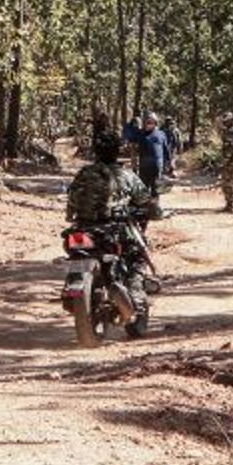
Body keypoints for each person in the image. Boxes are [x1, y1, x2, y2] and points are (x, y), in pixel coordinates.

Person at [66, 131, 155, 323]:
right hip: (113, 229)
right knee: (136, 257)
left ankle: (72, 287)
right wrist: (153, 210)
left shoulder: (84, 174)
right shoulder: (126, 175)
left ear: (95, 152)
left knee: (74, 252)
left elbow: (72, 198)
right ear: (118, 151)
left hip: (82, 228)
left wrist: (72, 214)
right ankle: (137, 298)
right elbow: (145, 200)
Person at [123, 112, 170, 197]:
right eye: (147, 122)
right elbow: (128, 134)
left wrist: (168, 164)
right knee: (143, 192)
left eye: (151, 122)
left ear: (155, 123)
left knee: (155, 191)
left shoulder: (161, 134)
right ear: (144, 123)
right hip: (144, 168)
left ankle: (155, 204)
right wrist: (133, 122)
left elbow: (166, 150)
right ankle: (146, 204)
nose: (149, 124)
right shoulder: (140, 134)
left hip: (156, 168)